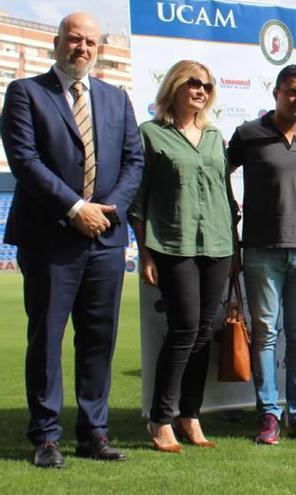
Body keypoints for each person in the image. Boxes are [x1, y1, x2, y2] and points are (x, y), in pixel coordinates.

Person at [0, 12, 144, 467]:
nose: (81, 48)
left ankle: (93, 433)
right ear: (57, 42)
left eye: (90, 42)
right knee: (46, 339)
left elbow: (133, 162)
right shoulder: (25, 93)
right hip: (50, 238)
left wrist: (108, 211)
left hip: (105, 237)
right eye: (74, 40)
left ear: (98, 49)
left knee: (99, 339)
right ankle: (45, 436)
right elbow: (24, 159)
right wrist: (75, 208)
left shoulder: (117, 99)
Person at [129, 60, 236, 453]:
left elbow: (226, 196)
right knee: (184, 330)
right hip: (173, 246)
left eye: (207, 85)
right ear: (174, 85)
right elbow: (138, 202)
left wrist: (235, 249)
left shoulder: (214, 135)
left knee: (206, 331)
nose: (201, 90)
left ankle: (191, 415)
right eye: (193, 82)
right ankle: (160, 419)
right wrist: (145, 255)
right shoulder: (151, 134)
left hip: (219, 245)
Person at [227, 64, 296, 444]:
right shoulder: (247, 134)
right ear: (276, 93)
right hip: (260, 249)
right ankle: (269, 414)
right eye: (292, 91)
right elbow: (219, 173)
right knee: (266, 333)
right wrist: (231, 211)